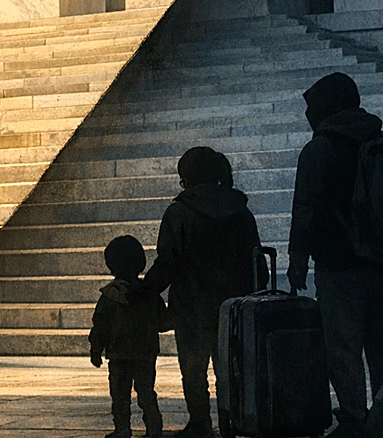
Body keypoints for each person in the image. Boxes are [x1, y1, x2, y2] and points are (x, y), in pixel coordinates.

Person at [286, 72, 383, 438]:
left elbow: (306, 209)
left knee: (343, 345)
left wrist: (297, 259)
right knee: (381, 341)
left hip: (340, 263)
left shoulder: (320, 148)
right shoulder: (382, 142)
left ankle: (355, 416)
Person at [142, 146, 262, 438]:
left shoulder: (179, 212)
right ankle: (231, 421)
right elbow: (255, 260)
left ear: (187, 178)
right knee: (229, 370)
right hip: (232, 307)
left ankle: (200, 423)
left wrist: (145, 290)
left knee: (193, 370)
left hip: (191, 306)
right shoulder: (240, 211)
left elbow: (168, 261)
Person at [90, 235, 167, 438]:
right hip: (145, 351)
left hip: (119, 353)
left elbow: (100, 326)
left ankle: (122, 429)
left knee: (120, 394)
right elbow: (163, 322)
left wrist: (96, 350)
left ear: (111, 266)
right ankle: (154, 427)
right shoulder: (149, 294)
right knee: (146, 391)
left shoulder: (109, 296)